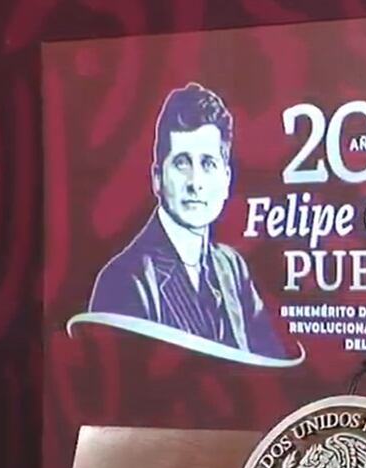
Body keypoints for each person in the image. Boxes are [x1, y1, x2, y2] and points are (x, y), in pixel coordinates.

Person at [88, 82, 286, 359]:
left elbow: (270, 363)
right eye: (182, 163)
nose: (195, 182)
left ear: (226, 179)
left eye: (208, 164)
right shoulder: (125, 280)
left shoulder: (231, 267)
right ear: (157, 178)